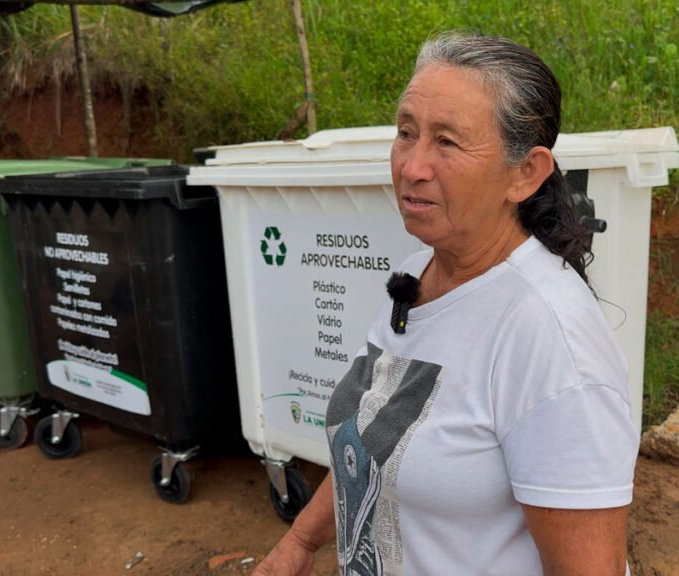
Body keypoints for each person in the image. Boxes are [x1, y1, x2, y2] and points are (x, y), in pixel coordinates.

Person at [254, 32, 638, 576]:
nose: (412, 166)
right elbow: (371, 442)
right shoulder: (416, 274)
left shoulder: (550, 337)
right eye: (405, 133)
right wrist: (298, 542)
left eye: (448, 143)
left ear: (525, 173)